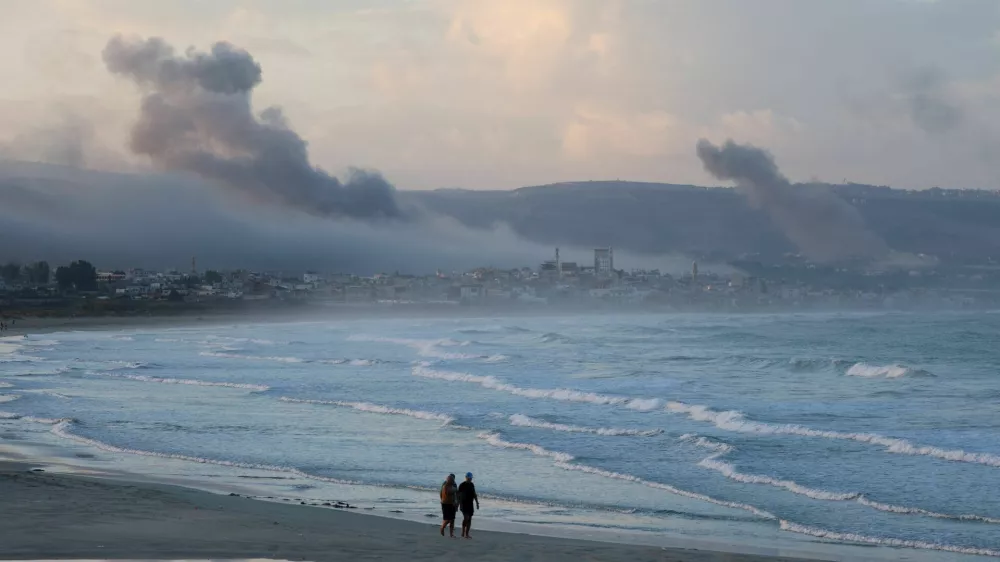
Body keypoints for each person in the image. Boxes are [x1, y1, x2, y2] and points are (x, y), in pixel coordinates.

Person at [458, 472, 479, 539]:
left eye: (471, 478)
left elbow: (474, 494)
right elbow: (458, 495)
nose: (470, 479)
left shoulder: (472, 485)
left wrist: (477, 503)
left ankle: (467, 534)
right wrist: (458, 504)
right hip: (463, 504)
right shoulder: (462, 485)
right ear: (466, 477)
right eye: (469, 478)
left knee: (469, 519)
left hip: (470, 504)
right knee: (466, 518)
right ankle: (463, 531)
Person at [439, 473, 459, 537]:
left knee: (452, 519)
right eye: (452, 480)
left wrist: (457, 504)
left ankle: (451, 534)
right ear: (449, 480)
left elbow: (456, 495)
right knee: (447, 519)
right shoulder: (445, 485)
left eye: (453, 479)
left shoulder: (453, 484)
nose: (453, 481)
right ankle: (442, 527)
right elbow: (449, 492)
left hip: (452, 504)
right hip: (446, 504)